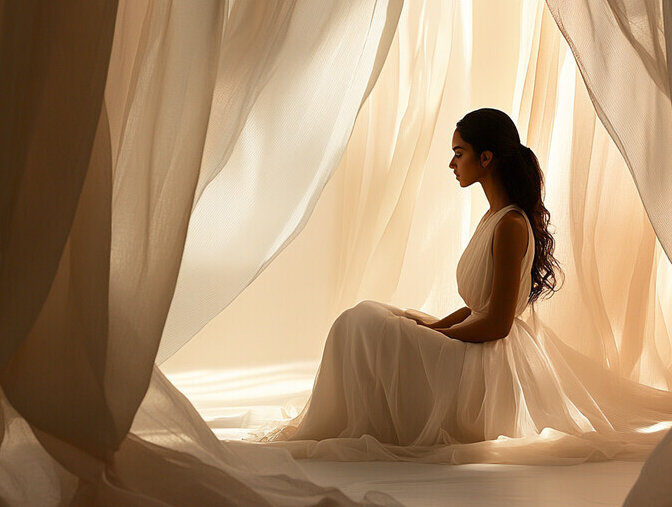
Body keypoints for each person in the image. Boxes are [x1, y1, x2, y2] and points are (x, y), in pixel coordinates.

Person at [244, 109, 622, 452]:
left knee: (359, 324)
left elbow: (499, 323)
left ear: (485, 158)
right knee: (367, 314)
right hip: (476, 343)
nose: (451, 163)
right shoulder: (494, 218)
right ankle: (349, 415)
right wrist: (431, 325)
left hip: (485, 368)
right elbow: (479, 307)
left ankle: (353, 419)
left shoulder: (509, 225)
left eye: (459, 153)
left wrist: (436, 337)